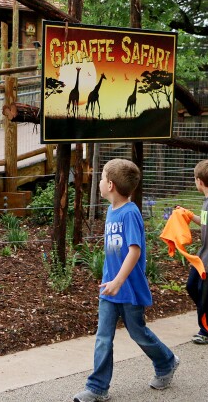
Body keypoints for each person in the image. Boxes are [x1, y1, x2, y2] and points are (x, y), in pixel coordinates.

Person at [73, 159, 179, 402]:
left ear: (110, 185)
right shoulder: (112, 210)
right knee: (103, 337)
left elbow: (134, 251)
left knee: (138, 333)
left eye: (101, 178)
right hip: (109, 288)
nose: (99, 181)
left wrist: (119, 281)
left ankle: (166, 362)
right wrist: (110, 280)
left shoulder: (130, 214)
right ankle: (98, 387)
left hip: (128, 288)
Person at [175, 159, 208, 344]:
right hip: (202, 256)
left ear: (200, 181)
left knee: (206, 297)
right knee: (192, 287)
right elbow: (207, 223)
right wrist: (189, 215)